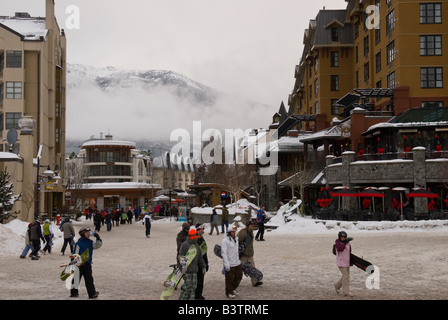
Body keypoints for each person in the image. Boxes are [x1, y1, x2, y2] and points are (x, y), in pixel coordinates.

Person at [70, 227, 103, 299]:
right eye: (87, 233)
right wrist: (74, 262)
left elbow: (97, 245)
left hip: (87, 264)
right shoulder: (79, 243)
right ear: (82, 234)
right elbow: (75, 253)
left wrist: (98, 238)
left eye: (89, 232)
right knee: (76, 279)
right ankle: (74, 292)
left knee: (89, 279)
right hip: (79, 264)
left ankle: (92, 293)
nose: (89, 234)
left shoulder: (90, 242)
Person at [177, 228, 206, 300]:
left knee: (193, 288)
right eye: (196, 236)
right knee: (187, 288)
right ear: (193, 236)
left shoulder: (196, 246)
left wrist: (203, 267)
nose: (197, 237)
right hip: (187, 271)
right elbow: (180, 257)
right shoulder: (185, 245)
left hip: (194, 272)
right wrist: (182, 268)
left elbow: (200, 258)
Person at [237, 220, 262, 286]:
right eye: (251, 226)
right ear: (247, 226)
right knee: (239, 270)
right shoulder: (242, 232)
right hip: (243, 255)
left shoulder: (251, 232)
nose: (252, 227)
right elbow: (238, 242)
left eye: (253, 226)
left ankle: (254, 282)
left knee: (252, 269)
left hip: (250, 254)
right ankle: (235, 282)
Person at [221, 226, 243, 299]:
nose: (234, 233)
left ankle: (233, 288)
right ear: (229, 232)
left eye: (235, 232)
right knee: (229, 279)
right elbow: (224, 252)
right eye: (233, 232)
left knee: (239, 276)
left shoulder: (236, 239)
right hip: (230, 263)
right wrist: (226, 263)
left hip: (237, 262)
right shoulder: (225, 241)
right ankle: (228, 292)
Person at [334, 231, 353, 297]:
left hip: (347, 262)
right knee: (345, 276)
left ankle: (337, 285)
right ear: (339, 237)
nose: (343, 238)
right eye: (342, 237)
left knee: (346, 276)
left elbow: (349, 251)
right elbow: (340, 248)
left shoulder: (347, 243)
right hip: (341, 262)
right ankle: (346, 292)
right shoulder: (337, 243)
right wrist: (344, 243)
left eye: (345, 237)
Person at [195, 224, 209, 300]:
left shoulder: (202, 239)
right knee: (196, 281)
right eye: (201, 229)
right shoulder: (195, 239)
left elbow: (204, 252)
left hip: (202, 262)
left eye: (203, 229)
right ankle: (195, 295)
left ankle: (199, 294)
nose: (202, 230)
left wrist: (206, 263)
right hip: (196, 263)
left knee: (201, 281)